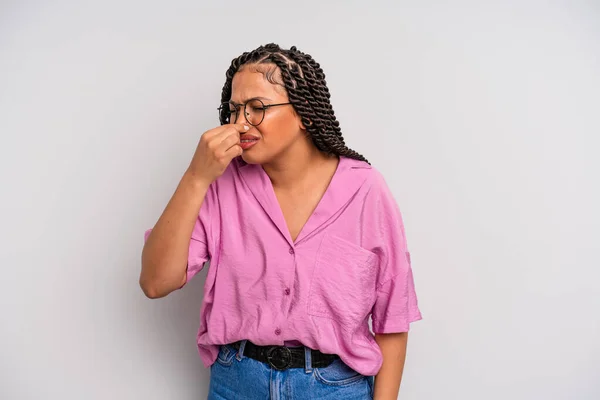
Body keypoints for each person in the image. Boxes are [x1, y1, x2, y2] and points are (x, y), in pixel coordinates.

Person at [140, 43, 422, 400]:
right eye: (234, 109)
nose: (241, 123)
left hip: (334, 389)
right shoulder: (221, 185)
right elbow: (155, 282)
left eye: (257, 108)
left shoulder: (366, 190)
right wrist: (196, 177)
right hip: (236, 384)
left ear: (305, 113)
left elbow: (392, 319)